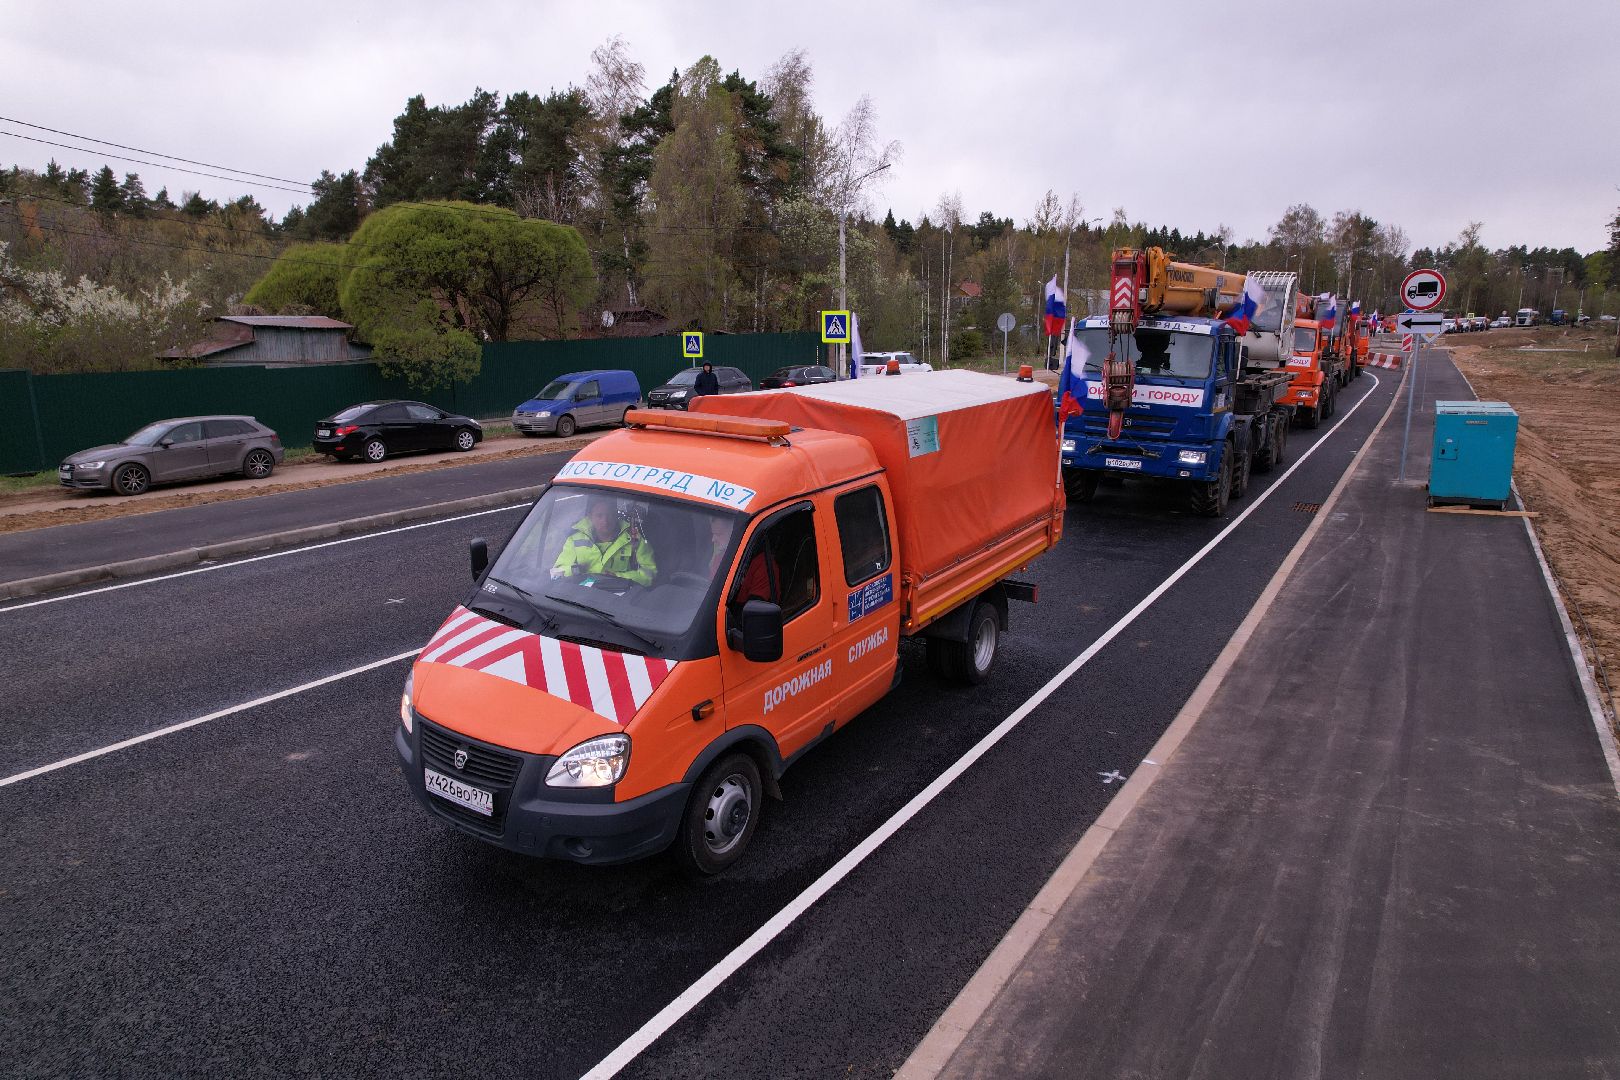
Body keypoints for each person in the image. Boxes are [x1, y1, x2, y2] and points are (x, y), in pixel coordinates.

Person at [551, 495, 657, 586]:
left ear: (616, 515)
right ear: (590, 517)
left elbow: (650, 574)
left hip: (617, 601)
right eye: (599, 516)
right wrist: (576, 570)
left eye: (609, 515)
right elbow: (556, 574)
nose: (605, 521)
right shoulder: (575, 539)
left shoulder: (634, 539)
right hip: (581, 597)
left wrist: (619, 577)